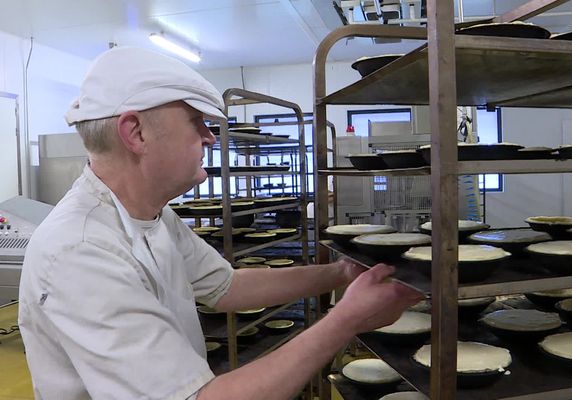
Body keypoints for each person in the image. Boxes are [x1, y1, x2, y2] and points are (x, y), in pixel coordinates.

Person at [18, 47, 424, 400]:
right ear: (135, 132)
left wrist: (339, 272)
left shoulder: (153, 215)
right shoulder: (81, 251)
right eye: (196, 122)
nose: (211, 138)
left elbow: (227, 287)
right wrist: (347, 319)